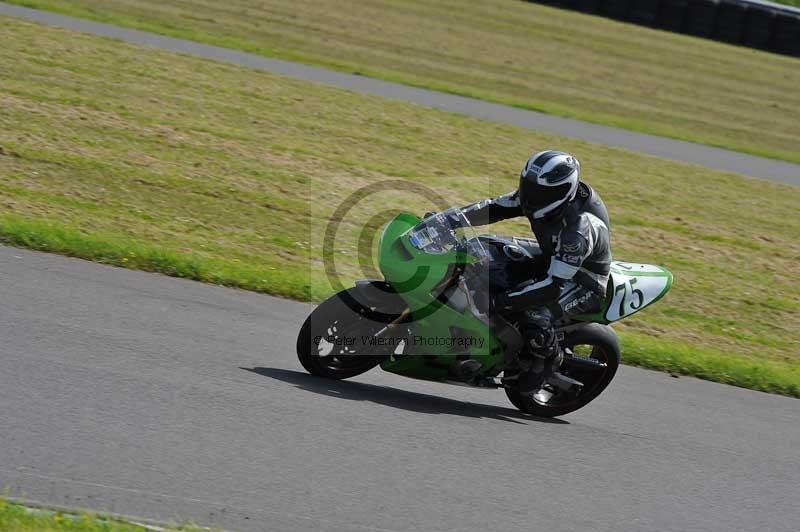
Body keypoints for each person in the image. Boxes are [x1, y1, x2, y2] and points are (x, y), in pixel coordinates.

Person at [456, 150, 612, 391]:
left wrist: (505, 300)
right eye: (528, 186)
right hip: (553, 255)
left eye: (540, 192)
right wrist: (451, 220)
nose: (530, 196)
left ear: (563, 192)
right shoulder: (538, 197)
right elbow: (493, 208)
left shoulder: (578, 230)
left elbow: (552, 287)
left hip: (583, 280)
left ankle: (548, 361)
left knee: (533, 311)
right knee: (485, 250)